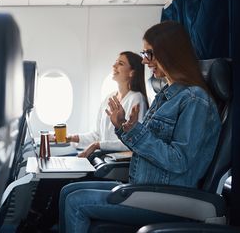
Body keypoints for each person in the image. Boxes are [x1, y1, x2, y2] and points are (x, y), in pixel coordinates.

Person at [59, 21, 221, 233]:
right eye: (143, 53)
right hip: (147, 187)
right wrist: (122, 126)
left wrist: (135, 132)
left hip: (170, 197)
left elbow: (179, 161)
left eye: (150, 54)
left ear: (169, 53)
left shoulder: (195, 100)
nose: (144, 61)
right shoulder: (166, 96)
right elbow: (147, 146)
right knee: (68, 191)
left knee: (76, 202)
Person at [66, 51, 148, 158]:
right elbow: (98, 135)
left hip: (115, 161)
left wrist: (97, 145)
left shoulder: (137, 99)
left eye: (121, 64)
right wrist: (70, 138)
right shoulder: (109, 97)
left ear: (131, 72)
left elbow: (134, 141)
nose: (114, 66)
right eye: (115, 62)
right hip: (102, 156)